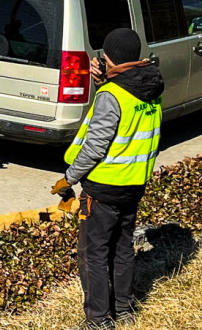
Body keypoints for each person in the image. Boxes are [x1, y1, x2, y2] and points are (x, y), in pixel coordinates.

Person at [51, 28, 162, 330]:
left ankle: (99, 320)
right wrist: (107, 80)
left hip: (102, 189)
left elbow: (96, 145)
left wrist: (69, 178)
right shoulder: (149, 87)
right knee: (123, 248)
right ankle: (124, 310)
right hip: (133, 186)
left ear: (109, 58)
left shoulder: (111, 95)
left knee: (94, 254)